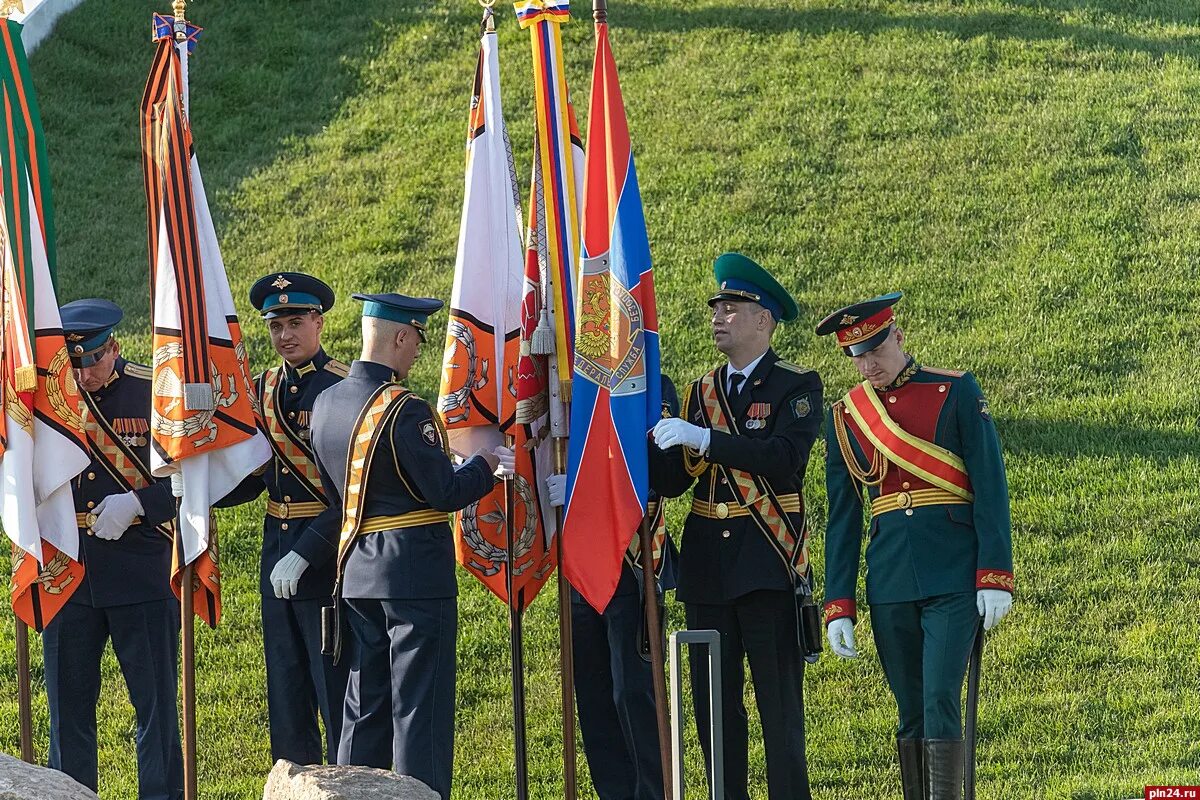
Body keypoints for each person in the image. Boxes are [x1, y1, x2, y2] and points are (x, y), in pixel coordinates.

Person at [309, 292, 514, 799]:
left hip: (356, 571)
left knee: (364, 707)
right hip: (414, 576)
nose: (418, 351)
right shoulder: (404, 409)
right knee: (418, 711)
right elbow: (443, 491)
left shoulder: (325, 404)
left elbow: (336, 495)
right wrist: (486, 466)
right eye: (417, 340)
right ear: (400, 336)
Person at [817, 292, 1014, 800]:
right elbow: (843, 519)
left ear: (898, 337)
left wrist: (994, 574)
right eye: (857, 357)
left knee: (940, 700)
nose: (869, 365)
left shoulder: (957, 391)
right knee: (910, 710)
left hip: (952, 575)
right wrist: (839, 603)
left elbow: (990, 486)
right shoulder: (847, 417)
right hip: (889, 580)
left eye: (876, 350)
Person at [648, 253, 823, 800]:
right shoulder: (700, 393)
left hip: (767, 566)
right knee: (714, 718)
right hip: (707, 572)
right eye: (716, 307)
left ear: (764, 319)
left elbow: (782, 459)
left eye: (732, 307)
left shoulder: (796, 387)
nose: (718, 316)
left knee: (780, 717)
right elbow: (676, 483)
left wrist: (704, 440)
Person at [44, 299, 183, 800]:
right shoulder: (47, 399)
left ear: (115, 348)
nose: (83, 375)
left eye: (93, 361)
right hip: (69, 571)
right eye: (73, 362)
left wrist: (140, 504)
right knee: (68, 719)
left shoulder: (154, 394)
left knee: (156, 715)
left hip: (140, 571)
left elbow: (196, 481)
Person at [216, 272, 350, 764]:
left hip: (328, 557)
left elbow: (356, 492)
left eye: (296, 322)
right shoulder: (261, 389)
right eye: (276, 326)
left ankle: (349, 789)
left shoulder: (343, 388)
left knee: (334, 692)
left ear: (318, 322)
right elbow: (254, 476)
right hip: (275, 549)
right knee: (287, 693)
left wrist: (307, 551)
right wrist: (199, 492)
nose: (285, 335)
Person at [546, 374, 680, 800]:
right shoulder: (559, 383)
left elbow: (667, 474)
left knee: (632, 693)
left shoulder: (650, 382)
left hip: (631, 556)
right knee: (593, 694)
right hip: (580, 559)